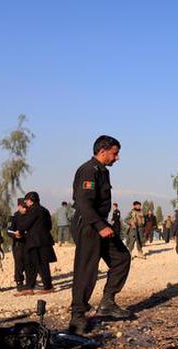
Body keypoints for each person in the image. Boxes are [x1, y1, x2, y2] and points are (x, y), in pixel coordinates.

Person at [69, 135, 132, 335]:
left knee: (121, 258)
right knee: (87, 270)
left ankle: (107, 302)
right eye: (115, 153)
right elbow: (83, 203)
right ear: (102, 151)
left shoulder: (102, 171)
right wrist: (99, 225)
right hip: (88, 224)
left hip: (100, 223)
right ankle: (77, 316)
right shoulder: (88, 170)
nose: (117, 158)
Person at [15, 192, 57, 296]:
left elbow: (25, 224)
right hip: (44, 240)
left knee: (31, 264)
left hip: (34, 241)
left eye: (26, 200)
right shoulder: (45, 210)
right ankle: (46, 286)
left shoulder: (33, 210)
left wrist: (19, 230)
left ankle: (31, 287)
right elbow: (49, 226)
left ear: (30, 200)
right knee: (43, 264)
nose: (25, 202)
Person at [8, 198, 27, 290]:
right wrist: (15, 235)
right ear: (19, 206)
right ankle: (19, 282)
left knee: (29, 263)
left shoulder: (30, 216)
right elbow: (9, 231)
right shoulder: (14, 217)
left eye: (26, 207)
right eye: (23, 207)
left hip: (28, 243)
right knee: (19, 264)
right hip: (18, 244)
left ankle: (30, 282)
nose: (25, 209)